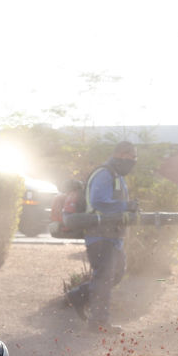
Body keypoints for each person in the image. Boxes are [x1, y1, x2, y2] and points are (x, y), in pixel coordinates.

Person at [64, 141, 137, 333]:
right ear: (121, 154)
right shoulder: (105, 174)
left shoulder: (117, 176)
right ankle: (98, 323)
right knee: (104, 278)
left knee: (116, 274)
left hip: (114, 237)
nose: (134, 161)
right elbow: (99, 201)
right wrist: (125, 206)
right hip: (100, 236)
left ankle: (78, 295)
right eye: (132, 157)